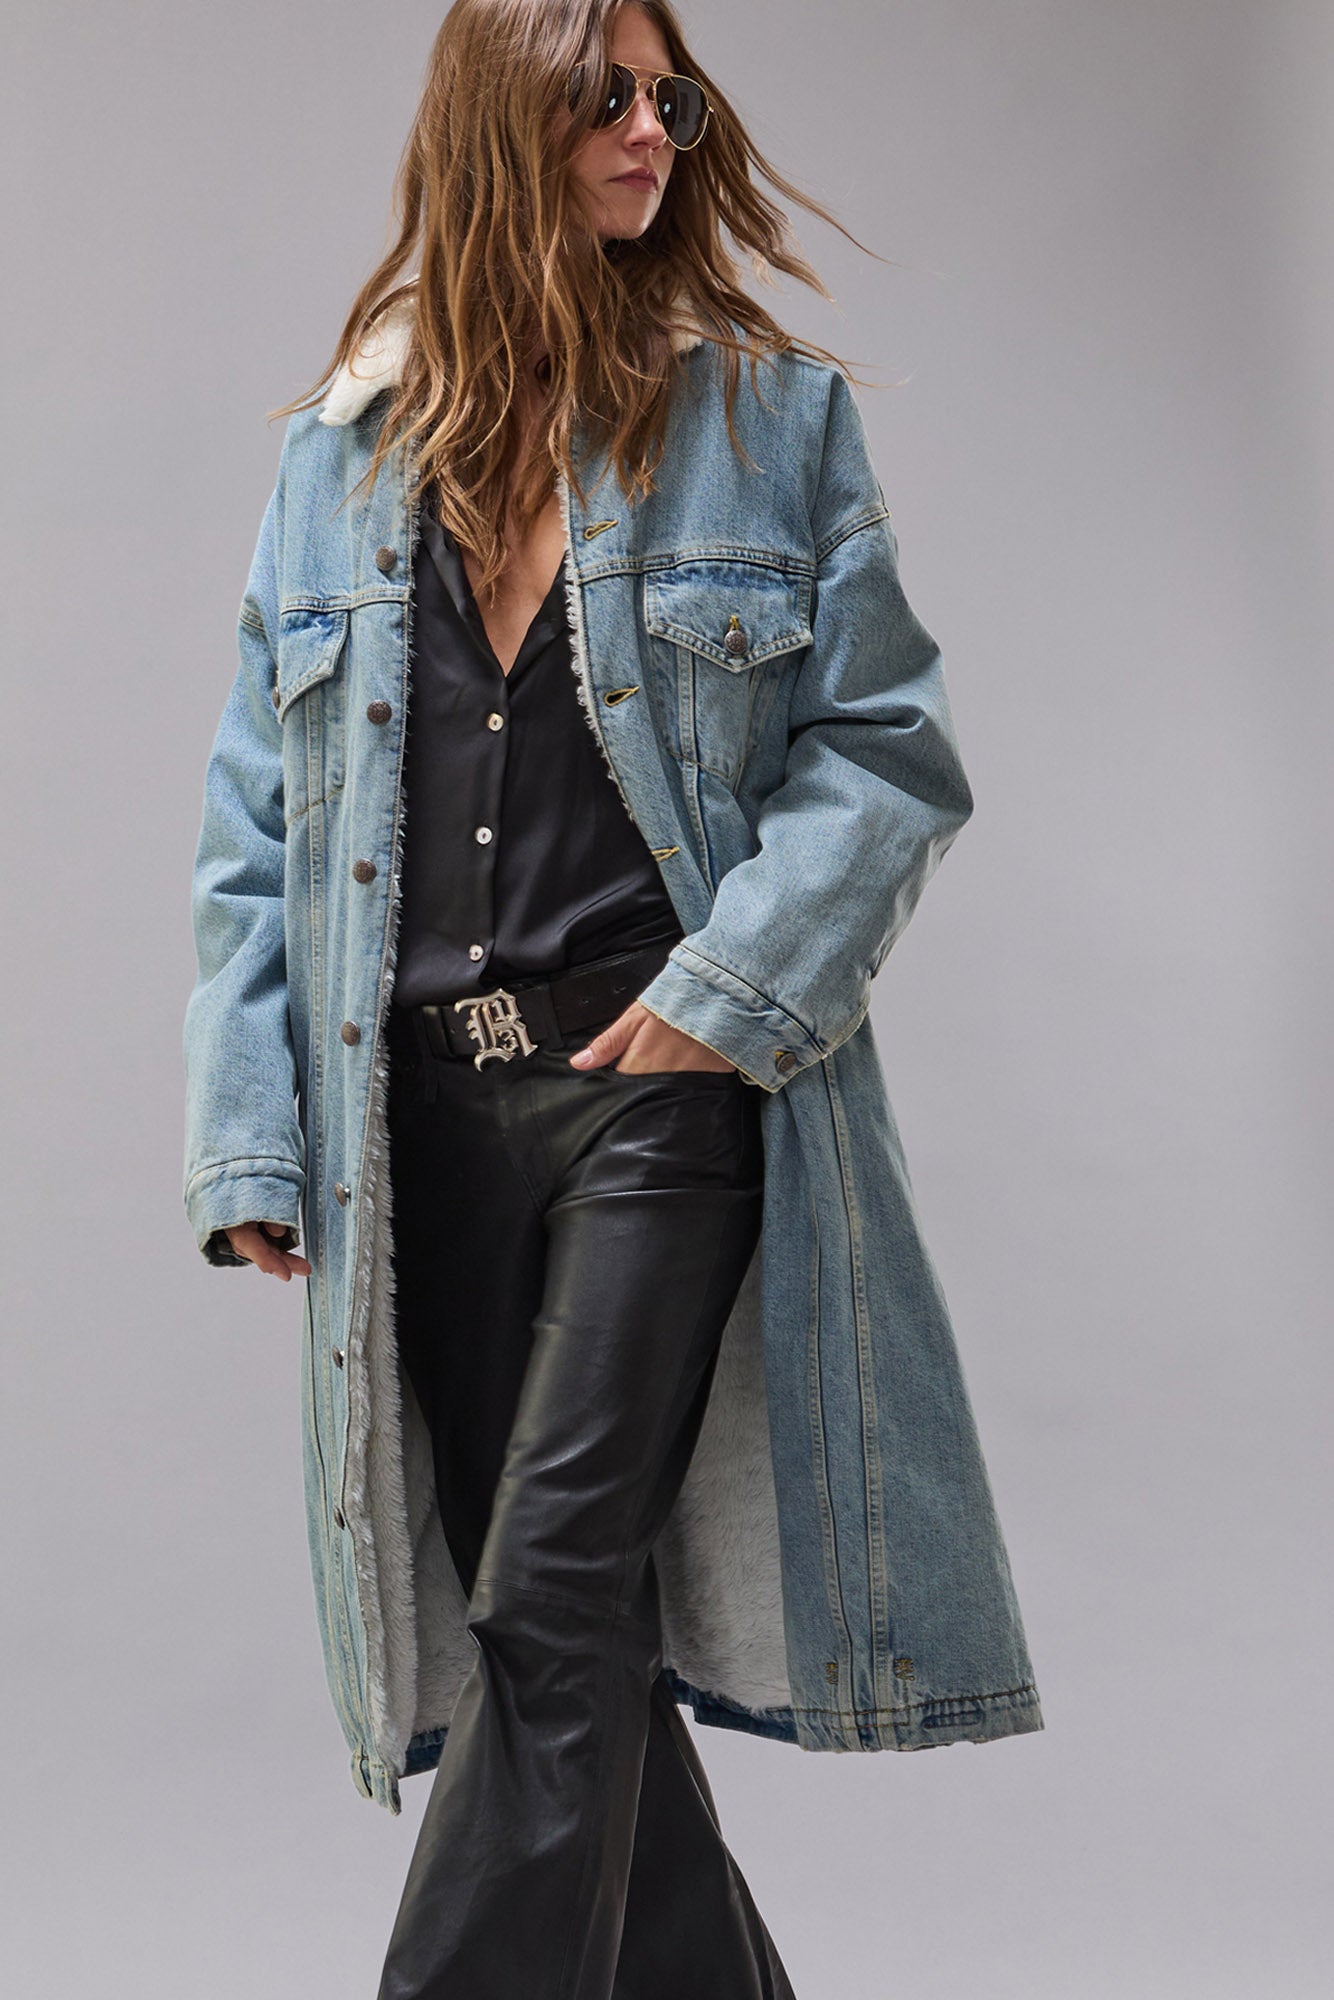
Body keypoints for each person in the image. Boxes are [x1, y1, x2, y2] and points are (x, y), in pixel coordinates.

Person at [182, 3, 1044, 1995]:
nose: (651, 131)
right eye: (605, 97)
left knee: (550, 1611)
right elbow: (255, 826)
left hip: (651, 1090)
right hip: (419, 1118)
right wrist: (253, 1131)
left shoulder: (769, 420)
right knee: (565, 1648)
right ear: (501, 121)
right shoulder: (336, 455)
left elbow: (885, 751)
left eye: (674, 99)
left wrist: (735, 988)